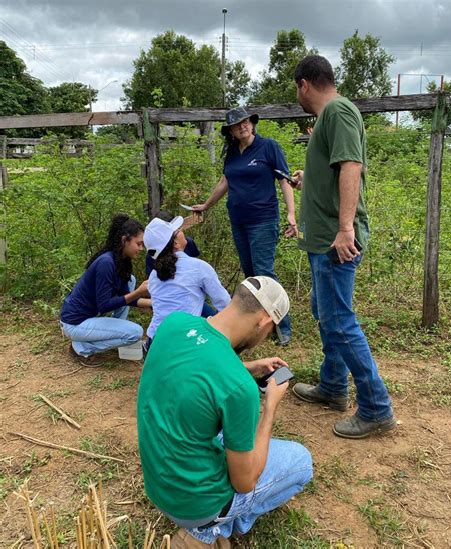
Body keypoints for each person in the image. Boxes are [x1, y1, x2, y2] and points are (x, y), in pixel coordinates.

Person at [137, 276, 313, 548]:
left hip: (159, 488)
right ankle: (211, 529)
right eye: (270, 331)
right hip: (196, 506)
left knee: (215, 431)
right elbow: (245, 482)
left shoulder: (175, 324)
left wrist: (249, 366)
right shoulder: (240, 390)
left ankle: (218, 526)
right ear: (265, 321)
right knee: (301, 461)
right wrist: (270, 408)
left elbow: (198, 367)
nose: (265, 338)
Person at [291, 55, 396, 439]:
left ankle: (376, 407)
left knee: (339, 320)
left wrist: (346, 228)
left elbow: (351, 165)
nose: (297, 96)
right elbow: (335, 168)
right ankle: (333, 386)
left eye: (295, 89)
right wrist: (310, 176)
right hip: (324, 240)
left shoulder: (338, 111)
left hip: (337, 242)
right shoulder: (330, 117)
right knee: (326, 311)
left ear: (304, 84)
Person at [192, 107, 295, 346]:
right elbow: (225, 181)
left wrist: (291, 213)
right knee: (251, 275)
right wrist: (206, 205)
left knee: (264, 273)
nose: (243, 126)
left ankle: (283, 327)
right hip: (239, 221)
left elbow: (284, 180)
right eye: (237, 125)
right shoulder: (232, 154)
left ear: (252, 122)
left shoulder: (269, 147)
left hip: (263, 220)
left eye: (246, 121)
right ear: (231, 131)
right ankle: (258, 326)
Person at [60, 214, 150, 367]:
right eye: (138, 243)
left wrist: (152, 302)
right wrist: (139, 292)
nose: (142, 248)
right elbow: (105, 305)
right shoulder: (106, 263)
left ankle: (116, 332)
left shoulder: (121, 261)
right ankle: (81, 348)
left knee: (131, 281)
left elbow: (124, 296)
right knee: (135, 333)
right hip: (74, 323)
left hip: (88, 317)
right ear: (124, 240)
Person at [143, 215, 231, 352]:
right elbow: (224, 303)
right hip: (184, 343)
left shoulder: (154, 275)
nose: (181, 230)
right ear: (176, 244)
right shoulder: (199, 267)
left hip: (154, 343)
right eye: (178, 230)